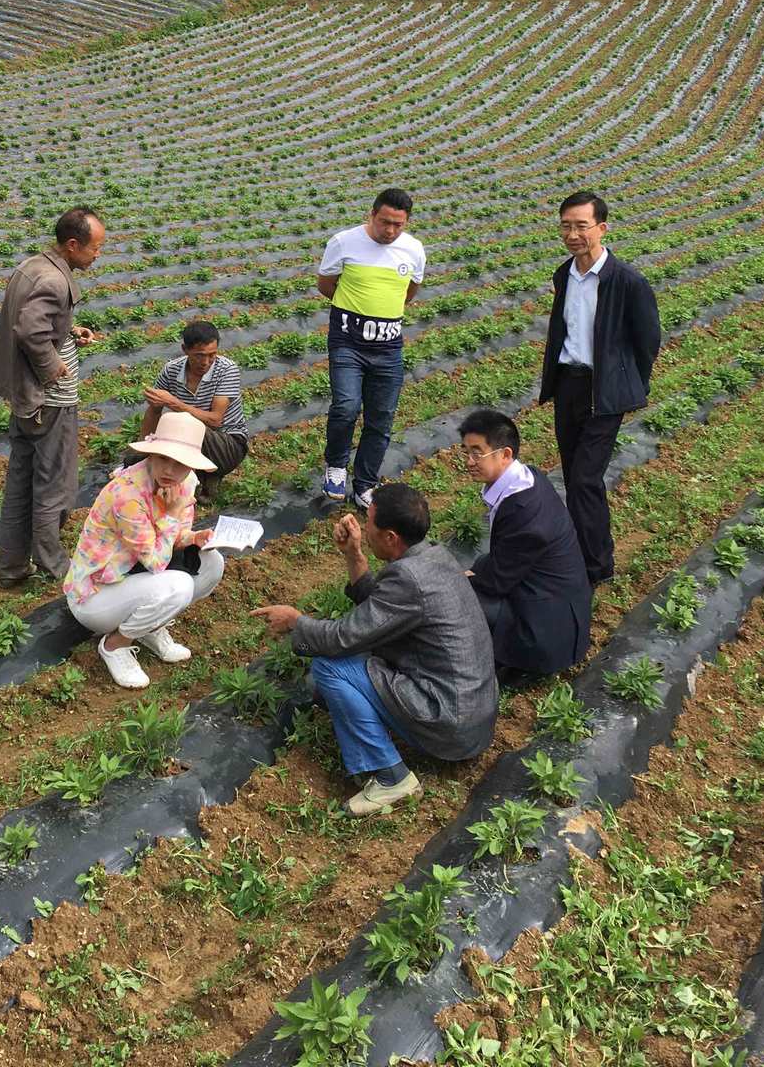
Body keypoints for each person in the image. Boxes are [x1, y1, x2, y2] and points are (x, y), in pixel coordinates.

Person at [252, 483, 497, 816]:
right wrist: (354, 554)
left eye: (369, 523)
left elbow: (342, 637)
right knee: (347, 667)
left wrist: (296, 621)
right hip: (473, 711)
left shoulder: (409, 579)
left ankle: (390, 776)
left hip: (448, 720)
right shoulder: (433, 556)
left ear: (391, 537)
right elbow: (381, 613)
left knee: (329, 666)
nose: (363, 528)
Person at [538, 191, 661, 586]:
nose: (573, 234)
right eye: (566, 225)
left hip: (604, 392)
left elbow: (647, 340)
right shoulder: (564, 275)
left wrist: (628, 385)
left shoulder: (626, 281)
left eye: (581, 226)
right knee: (574, 475)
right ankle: (582, 551)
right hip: (569, 384)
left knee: (586, 479)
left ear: (601, 229)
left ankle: (596, 565)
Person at [0, 207, 105, 589]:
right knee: (54, 483)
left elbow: (39, 323)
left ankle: (12, 565)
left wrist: (69, 332)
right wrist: (54, 367)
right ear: (73, 245)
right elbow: (30, 330)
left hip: (25, 397)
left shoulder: (33, 267)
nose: (98, 254)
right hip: (49, 401)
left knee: (21, 479)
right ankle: (55, 565)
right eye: (95, 248)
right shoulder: (54, 281)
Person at [65, 412, 224, 689]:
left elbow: (175, 537)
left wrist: (193, 537)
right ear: (151, 454)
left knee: (213, 563)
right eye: (163, 458)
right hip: (96, 595)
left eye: (180, 464)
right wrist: (173, 514)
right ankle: (116, 645)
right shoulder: (127, 495)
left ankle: (150, 626)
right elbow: (156, 562)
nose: (170, 471)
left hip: (133, 576)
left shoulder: (186, 483)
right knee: (179, 585)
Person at [459, 409, 591, 679]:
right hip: (553, 602)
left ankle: (513, 661)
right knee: (472, 574)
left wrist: (463, 578)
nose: (469, 461)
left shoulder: (524, 511)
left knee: (455, 596)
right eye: (465, 451)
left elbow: (497, 580)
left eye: (477, 452)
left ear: (505, 454)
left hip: (546, 634)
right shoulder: (527, 478)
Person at [317, 188, 426, 510]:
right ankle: (336, 466)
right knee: (346, 406)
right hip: (348, 342)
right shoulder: (343, 242)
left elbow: (411, 290)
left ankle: (365, 484)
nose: (390, 231)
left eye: (398, 225)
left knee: (381, 417)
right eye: (384, 222)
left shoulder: (414, 250)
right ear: (372, 215)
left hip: (389, 347)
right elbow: (326, 284)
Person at [135, 320, 249, 497]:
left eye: (212, 355)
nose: (206, 362)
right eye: (199, 355)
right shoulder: (171, 370)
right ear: (185, 349)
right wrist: (143, 451)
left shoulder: (227, 370)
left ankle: (202, 477)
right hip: (191, 439)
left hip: (227, 444)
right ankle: (195, 478)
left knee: (183, 424)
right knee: (159, 439)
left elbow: (216, 419)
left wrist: (174, 403)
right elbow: (154, 411)